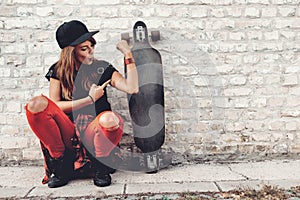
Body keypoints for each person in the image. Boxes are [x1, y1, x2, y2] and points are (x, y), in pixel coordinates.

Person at [25, 20, 138, 188]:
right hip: (69, 132)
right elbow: (54, 105)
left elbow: (132, 88)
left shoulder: (101, 68)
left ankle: (101, 166)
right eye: (84, 49)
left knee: (109, 119)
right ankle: (60, 164)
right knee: (36, 104)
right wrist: (89, 99)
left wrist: (128, 54)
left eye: (91, 46)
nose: (91, 52)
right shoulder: (58, 70)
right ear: (71, 52)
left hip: (95, 130)